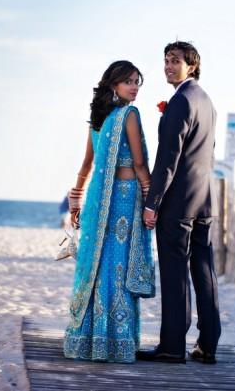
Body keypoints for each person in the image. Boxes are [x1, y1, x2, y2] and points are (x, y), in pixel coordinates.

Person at [63, 60, 155, 363]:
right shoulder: (129, 115)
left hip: (99, 201)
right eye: (128, 81)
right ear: (113, 84)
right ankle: (116, 340)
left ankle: (91, 338)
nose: (134, 87)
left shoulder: (98, 120)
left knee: (100, 265)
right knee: (118, 266)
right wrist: (150, 199)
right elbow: (140, 164)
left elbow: (86, 167)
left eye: (137, 81)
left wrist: (76, 200)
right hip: (125, 200)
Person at [137, 41, 221, 364]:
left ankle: (173, 346)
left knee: (175, 273)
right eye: (166, 61)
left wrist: (152, 202)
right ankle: (208, 344)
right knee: (204, 270)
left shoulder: (181, 102)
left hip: (178, 205)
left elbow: (168, 159)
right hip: (204, 201)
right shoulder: (207, 101)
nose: (168, 66)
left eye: (175, 61)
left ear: (192, 66)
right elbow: (207, 154)